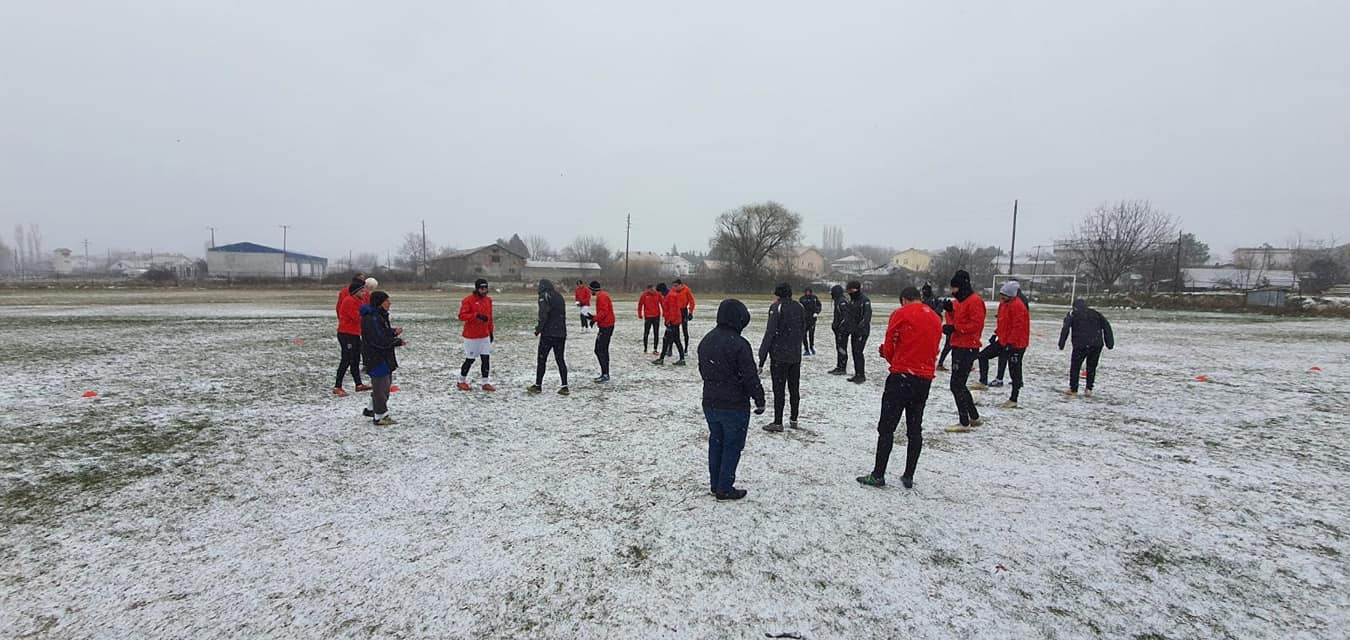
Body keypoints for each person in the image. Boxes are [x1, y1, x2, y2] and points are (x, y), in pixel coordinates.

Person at [857, 286, 942, 489]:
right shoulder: (935, 317)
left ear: (903, 299)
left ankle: (878, 474)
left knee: (887, 427)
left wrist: (887, 354)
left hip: (902, 375)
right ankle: (909, 474)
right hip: (924, 378)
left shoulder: (901, 314)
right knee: (914, 427)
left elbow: (890, 344)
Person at [698, 299, 766, 501]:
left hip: (710, 401)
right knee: (732, 445)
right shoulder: (739, 344)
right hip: (734, 404)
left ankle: (715, 483)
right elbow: (749, 376)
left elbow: (703, 370)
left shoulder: (707, 340)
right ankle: (725, 487)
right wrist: (759, 398)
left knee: (716, 442)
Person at [943, 270, 987, 432]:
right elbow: (960, 319)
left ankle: (964, 421)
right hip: (959, 345)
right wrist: (950, 311)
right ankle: (974, 417)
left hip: (968, 347)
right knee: (959, 384)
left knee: (956, 385)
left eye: (955, 288)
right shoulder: (960, 301)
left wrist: (955, 328)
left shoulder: (975, 301)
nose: (953, 292)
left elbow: (975, 325)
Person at [758, 283, 806, 431]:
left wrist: (762, 357)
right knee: (794, 387)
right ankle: (794, 418)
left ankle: (778, 421)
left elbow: (770, 332)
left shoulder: (776, 308)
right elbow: (804, 327)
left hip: (779, 355)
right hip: (795, 354)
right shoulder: (799, 307)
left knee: (779, 389)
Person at [360, 291, 406, 426]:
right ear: (380, 303)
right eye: (387, 301)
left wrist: (392, 332)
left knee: (385, 384)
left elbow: (382, 332)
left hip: (384, 355)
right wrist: (396, 342)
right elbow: (377, 339)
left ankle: (371, 409)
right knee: (381, 386)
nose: (390, 303)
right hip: (376, 356)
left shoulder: (380, 316)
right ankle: (380, 416)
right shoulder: (371, 318)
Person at [1058, 298, 1114, 396]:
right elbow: (1107, 326)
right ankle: (1089, 389)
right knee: (1091, 366)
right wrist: (1109, 343)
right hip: (1096, 344)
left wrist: (1061, 343)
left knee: (1075, 366)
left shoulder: (1073, 314)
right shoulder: (1095, 313)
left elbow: (1065, 328)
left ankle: (1073, 389)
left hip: (1080, 344)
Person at [989, 280, 1030, 408]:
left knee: (1014, 370)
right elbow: (1003, 323)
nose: (1001, 297)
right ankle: (986, 381)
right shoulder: (1004, 304)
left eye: (1004, 295)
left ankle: (1013, 399)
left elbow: (1018, 327)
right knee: (984, 355)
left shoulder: (1018, 306)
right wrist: (996, 334)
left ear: (1011, 295)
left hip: (1017, 344)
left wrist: (1010, 343)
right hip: (1004, 340)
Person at [529, 279, 570, 395]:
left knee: (542, 360)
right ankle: (564, 386)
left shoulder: (544, 296)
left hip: (548, 333)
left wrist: (538, 329)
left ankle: (538, 385)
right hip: (561, 333)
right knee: (560, 359)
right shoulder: (559, 296)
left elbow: (543, 314)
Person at [333, 273, 371, 396]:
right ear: (356, 292)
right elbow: (357, 318)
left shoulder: (357, 301)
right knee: (346, 359)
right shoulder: (349, 301)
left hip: (354, 334)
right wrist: (367, 315)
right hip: (346, 334)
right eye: (362, 291)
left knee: (355, 359)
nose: (364, 293)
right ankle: (337, 386)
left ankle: (358, 384)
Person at [456, 278, 496, 392]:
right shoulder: (468, 300)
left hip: (484, 335)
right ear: (477, 289)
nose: (484, 290)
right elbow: (461, 316)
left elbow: (490, 318)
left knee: (486, 358)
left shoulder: (488, 300)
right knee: (470, 359)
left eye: (486, 288)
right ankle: (461, 381)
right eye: (482, 288)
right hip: (471, 336)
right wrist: (476, 315)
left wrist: (491, 331)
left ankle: (485, 382)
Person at [653, 282, 688, 365]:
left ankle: (682, 359)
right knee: (666, 340)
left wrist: (669, 322)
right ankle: (661, 358)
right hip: (672, 321)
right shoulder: (669, 295)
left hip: (673, 322)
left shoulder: (671, 296)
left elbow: (673, 311)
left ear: (662, 290)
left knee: (676, 340)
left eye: (660, 292)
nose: (660, 294)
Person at [845, 280, 872, 384]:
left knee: (858, 352)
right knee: (855, 352)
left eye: (851, 290)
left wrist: (860, 327)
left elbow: (867, 316)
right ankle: (857, 374)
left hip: (862, 332)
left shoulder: (865, 300)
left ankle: (861, 375)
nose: (849, 292)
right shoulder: (852, 301)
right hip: (854, 331)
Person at [924, 282, 953, 372]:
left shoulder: (935, 299)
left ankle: (937, 362)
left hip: (935, 324)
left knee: (937, 344)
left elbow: (940, 308)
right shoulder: (923, 300)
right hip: (926, 325)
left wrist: (933, 314)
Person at [590, 280, 615, 382]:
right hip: (606, 325)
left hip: (606, 326)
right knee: (603, 350)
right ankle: (605, 373)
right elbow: (603, 312)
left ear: (592, 289)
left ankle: (605, 374)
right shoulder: (602, 295)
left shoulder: (601, 296)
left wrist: (594, 319)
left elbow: (604, 312)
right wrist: (593, 317)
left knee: (599, 350)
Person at [826, 284, 853, 375]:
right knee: (839, 347)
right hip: (840, 330)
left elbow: (846, 317)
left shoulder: (841, 302)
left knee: (841, 348)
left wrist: (840, 327)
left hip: (843, 330)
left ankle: (842, 367)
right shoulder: (839, 300)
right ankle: (839, 366)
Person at [671, 278, 696, 352]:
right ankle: (670, 348)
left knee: (685, 330)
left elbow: (692, 301)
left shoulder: (686, 290)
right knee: (674, 331)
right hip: (675, 312)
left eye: (676, 286)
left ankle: (686, 349)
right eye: (674, 286)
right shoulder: (672, 290)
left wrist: (690, 312)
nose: (675, 287)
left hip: (683, 311)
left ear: (681, 285)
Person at [638, 283, 663, 355]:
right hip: (648, 316)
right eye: (651, 289)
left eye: (653, 289)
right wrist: (640, 314)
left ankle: (655, 349)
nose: (653, 291)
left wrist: (664, 312)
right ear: (648, 289)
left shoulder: (658, 294)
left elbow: (662, 303)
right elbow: (640, 305)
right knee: (646, 332)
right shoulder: (644, 295)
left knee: (656, 332)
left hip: (656, 316)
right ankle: (645, 349)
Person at [799, 287, 822, 355]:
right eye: (806, 291)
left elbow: (819, 306)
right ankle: (806, 349)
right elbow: (799, 308)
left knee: (811, 334)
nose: (807, 293)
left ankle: (812, 347)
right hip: (804, 319)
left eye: (809, 291)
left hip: (812, 319)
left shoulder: (814, 298)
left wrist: (816, 312)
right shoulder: (802, 299)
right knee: (803, 335)